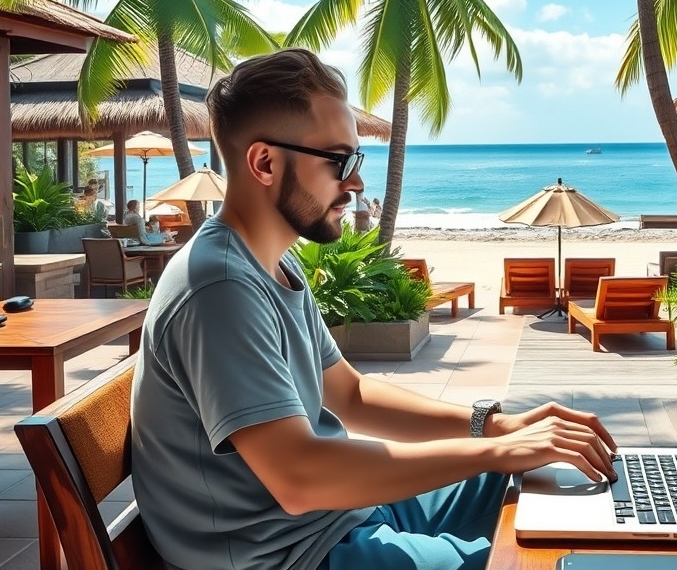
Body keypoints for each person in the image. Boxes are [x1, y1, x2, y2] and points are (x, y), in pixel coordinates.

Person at [130, 48, 617, 570]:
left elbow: (351, 394)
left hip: (336, 516)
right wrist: (499, 450)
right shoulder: (219, 287)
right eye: (340, 161)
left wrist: (495, 429)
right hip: (290, 553)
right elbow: (299, 478)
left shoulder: (270, 265)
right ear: (265, 162)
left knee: (553, 480)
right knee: (541, 559)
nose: (357, 183)